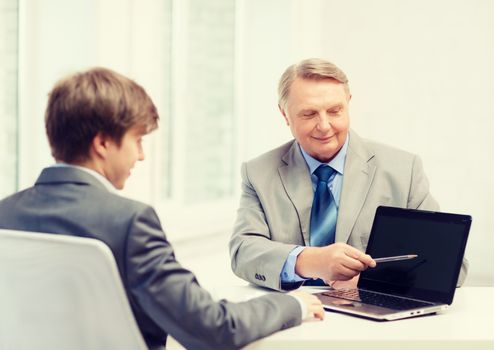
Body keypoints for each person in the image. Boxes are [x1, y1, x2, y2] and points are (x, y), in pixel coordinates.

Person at [0, 68, 324, 350]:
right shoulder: (129, 222)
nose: (141, 156)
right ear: (102, 144)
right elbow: (212, 328)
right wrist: (290, 304)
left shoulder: (6, 215)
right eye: (137, 140)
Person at [229, 58, 468, 291]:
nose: (324, 126)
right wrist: (310, 261)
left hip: (373, 318)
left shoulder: (403, 170)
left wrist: (373, 280)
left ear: (348, 103)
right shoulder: (258, 173)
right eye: (309, 114)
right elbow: (243, 252)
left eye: (334, 111)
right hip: (295, 315)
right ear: (284, 114)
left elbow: (453, 266)